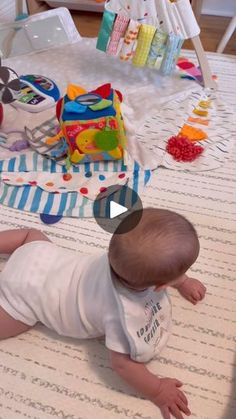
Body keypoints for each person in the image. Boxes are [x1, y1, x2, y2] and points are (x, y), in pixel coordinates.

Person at [0, 208, 206, 419]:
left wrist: (183, 281)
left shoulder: (121, 258)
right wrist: (158, 390)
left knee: (31, 234)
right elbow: (123, 365)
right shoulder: (120, 313)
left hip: (39, 254)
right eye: (182, 273)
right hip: (26, 293)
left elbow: (164, 270)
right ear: (161, 285)